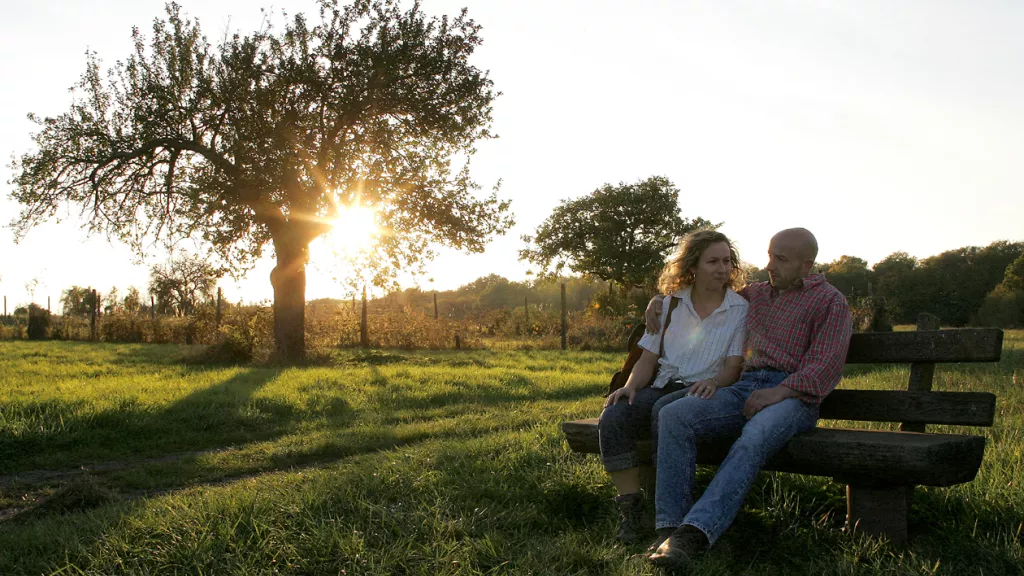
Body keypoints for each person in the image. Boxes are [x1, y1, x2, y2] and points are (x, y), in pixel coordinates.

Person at [644, 227, 853, 571]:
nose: (770, 265)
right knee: (675, 415)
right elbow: (705, 292)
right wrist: (661, 300)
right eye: (770, 255)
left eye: (781, 259)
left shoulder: (830, 301)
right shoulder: (755, 294)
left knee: (752, 437)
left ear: (807, 264)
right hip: (744, 388)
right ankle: (669, 528)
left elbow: (825, 366)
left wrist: (780, 391)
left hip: (794, 397)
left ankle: (694, 534)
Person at [598, 230, 748, 544]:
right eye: (713, 261)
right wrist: (629, 387)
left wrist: (714, 381)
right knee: (614, 414)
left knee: (664, 411)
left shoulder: (739, 309)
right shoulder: (669, 305)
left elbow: (733, 367)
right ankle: (630, 509)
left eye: (726, 261)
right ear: (692, 266)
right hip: (663, 384)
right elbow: (648, 359)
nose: (722, 268)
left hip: (703, 392)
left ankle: (669, 518)